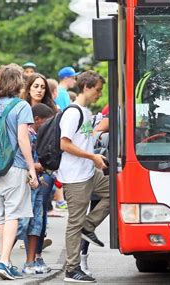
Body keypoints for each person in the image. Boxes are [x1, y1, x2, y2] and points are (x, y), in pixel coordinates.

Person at [58, 70, 109, 283]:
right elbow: (64, 143)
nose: (99, 94)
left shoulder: (85, 112)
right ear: (86, 87)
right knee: (74, 223)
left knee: (116, 191)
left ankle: (88, 227)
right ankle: (71, 269)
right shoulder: (73, 113)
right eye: (98, 90)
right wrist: (92, 156)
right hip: (75, 176)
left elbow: (83, 139)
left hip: (89, 172)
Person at [0, 64, 38, 280]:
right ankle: (3, 261)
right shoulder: (22, 106)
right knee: (14, 215)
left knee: (3, 216)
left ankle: (5, 259)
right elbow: (22, 139)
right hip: (16, 165)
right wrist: (31, 167)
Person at [18, 103, 55, 275]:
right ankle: (4, 259)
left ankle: (30, 261)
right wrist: (42, 166)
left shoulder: (37, 135)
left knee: (36, 223)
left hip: (38, 183)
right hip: (27, 184)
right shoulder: (26, 134)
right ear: (36, 120)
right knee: (23, 223)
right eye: (46, 122)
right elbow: (25, 161)